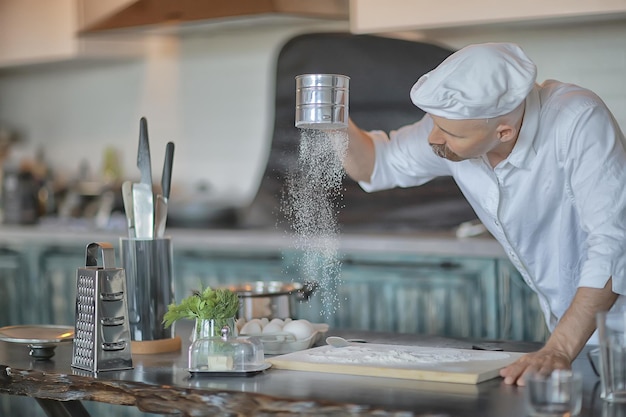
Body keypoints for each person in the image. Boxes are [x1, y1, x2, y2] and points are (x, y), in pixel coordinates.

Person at [343, 42, 626, 386]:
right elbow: (377, 163)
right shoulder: (460, 124)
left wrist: (560, 347)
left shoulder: (577, 119)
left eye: (448, 132)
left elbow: (614, 244)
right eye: (434, 123)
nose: (433, 138)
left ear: (503, 132)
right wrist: (332, 119)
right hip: (577, 339)